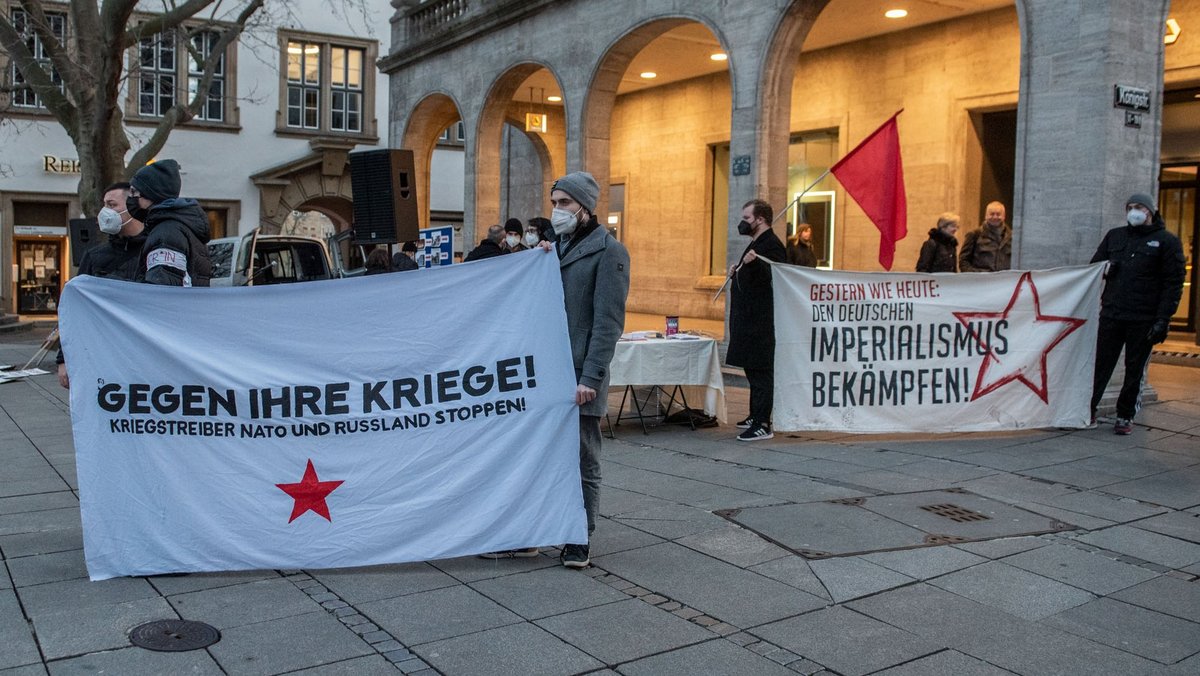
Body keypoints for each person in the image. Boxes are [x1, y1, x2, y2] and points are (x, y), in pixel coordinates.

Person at [480, 171, 629, 569]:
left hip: (579, 374)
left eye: (564, 203)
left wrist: (591, 378)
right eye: (555, 202)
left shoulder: (609, 251)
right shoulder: (554, 248)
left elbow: (608, 323)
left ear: (584, 206)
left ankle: (580, 535)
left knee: (583, 458)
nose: (557, 210)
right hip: (545, 372)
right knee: (537, 453)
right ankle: (531, 532)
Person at [1089, 193, 1185, 435]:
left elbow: (1173, 282)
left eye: (1139, 207)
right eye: (1130, 207)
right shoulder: (1115, 236)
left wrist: (1163, 318)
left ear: (1150, 211)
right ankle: (1087, 407)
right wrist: (1107, 268)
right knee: (1101, 364)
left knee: (1134, 368)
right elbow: (1094, 267)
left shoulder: (1166, 241)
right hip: (1112, 312)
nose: (1134, 211)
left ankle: (1125, 414)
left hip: (1143, 317)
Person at [57, 181, 147, 388]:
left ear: (132, 206)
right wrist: (64, 358)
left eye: (112, 204)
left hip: (142, 356)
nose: (105, 212)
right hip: (102, 354)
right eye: (104, 205)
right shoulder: (95, 256)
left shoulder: (156, 251)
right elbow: (74, 310)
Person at [726, 198, 787, 441]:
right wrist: (736, 272)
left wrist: (754, 266)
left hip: (760, 322)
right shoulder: (756, 243)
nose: (743, 223)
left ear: (760, 220)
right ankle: (754, 413)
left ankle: (763, 422)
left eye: (747, 218)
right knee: (751, 369)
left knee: (761, 373)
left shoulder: (771, 245)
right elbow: (749, 278)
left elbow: (777, 278)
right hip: (747, 321)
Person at [128, 159, 213, 286]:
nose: (131, 197)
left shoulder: (166, 233)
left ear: (150, 193)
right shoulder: (179, 226)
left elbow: (160, 288)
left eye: (134, 191)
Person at [959, 201, 1011, 272]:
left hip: (1005, 280)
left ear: (1004, 216)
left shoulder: (1012, 237)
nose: (995, 217)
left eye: (998, 214)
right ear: (986, 216)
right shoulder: (974, 234)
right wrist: (973, 276)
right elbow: (963, 260)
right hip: (980, 280)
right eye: (992, 214)